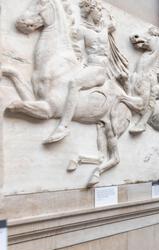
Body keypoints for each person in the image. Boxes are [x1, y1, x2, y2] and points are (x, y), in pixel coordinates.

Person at [44, 0, 128, 144]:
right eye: (98, 10)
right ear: (90, 11)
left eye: (101, 11)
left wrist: (107, 13)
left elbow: (113, 24)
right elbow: (79, 52)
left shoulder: (105, 27)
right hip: (90, 66)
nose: (100, 14)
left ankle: (63, 126)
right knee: (71, 80)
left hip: (101, 71)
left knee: (74, 83)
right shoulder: (82, 31)